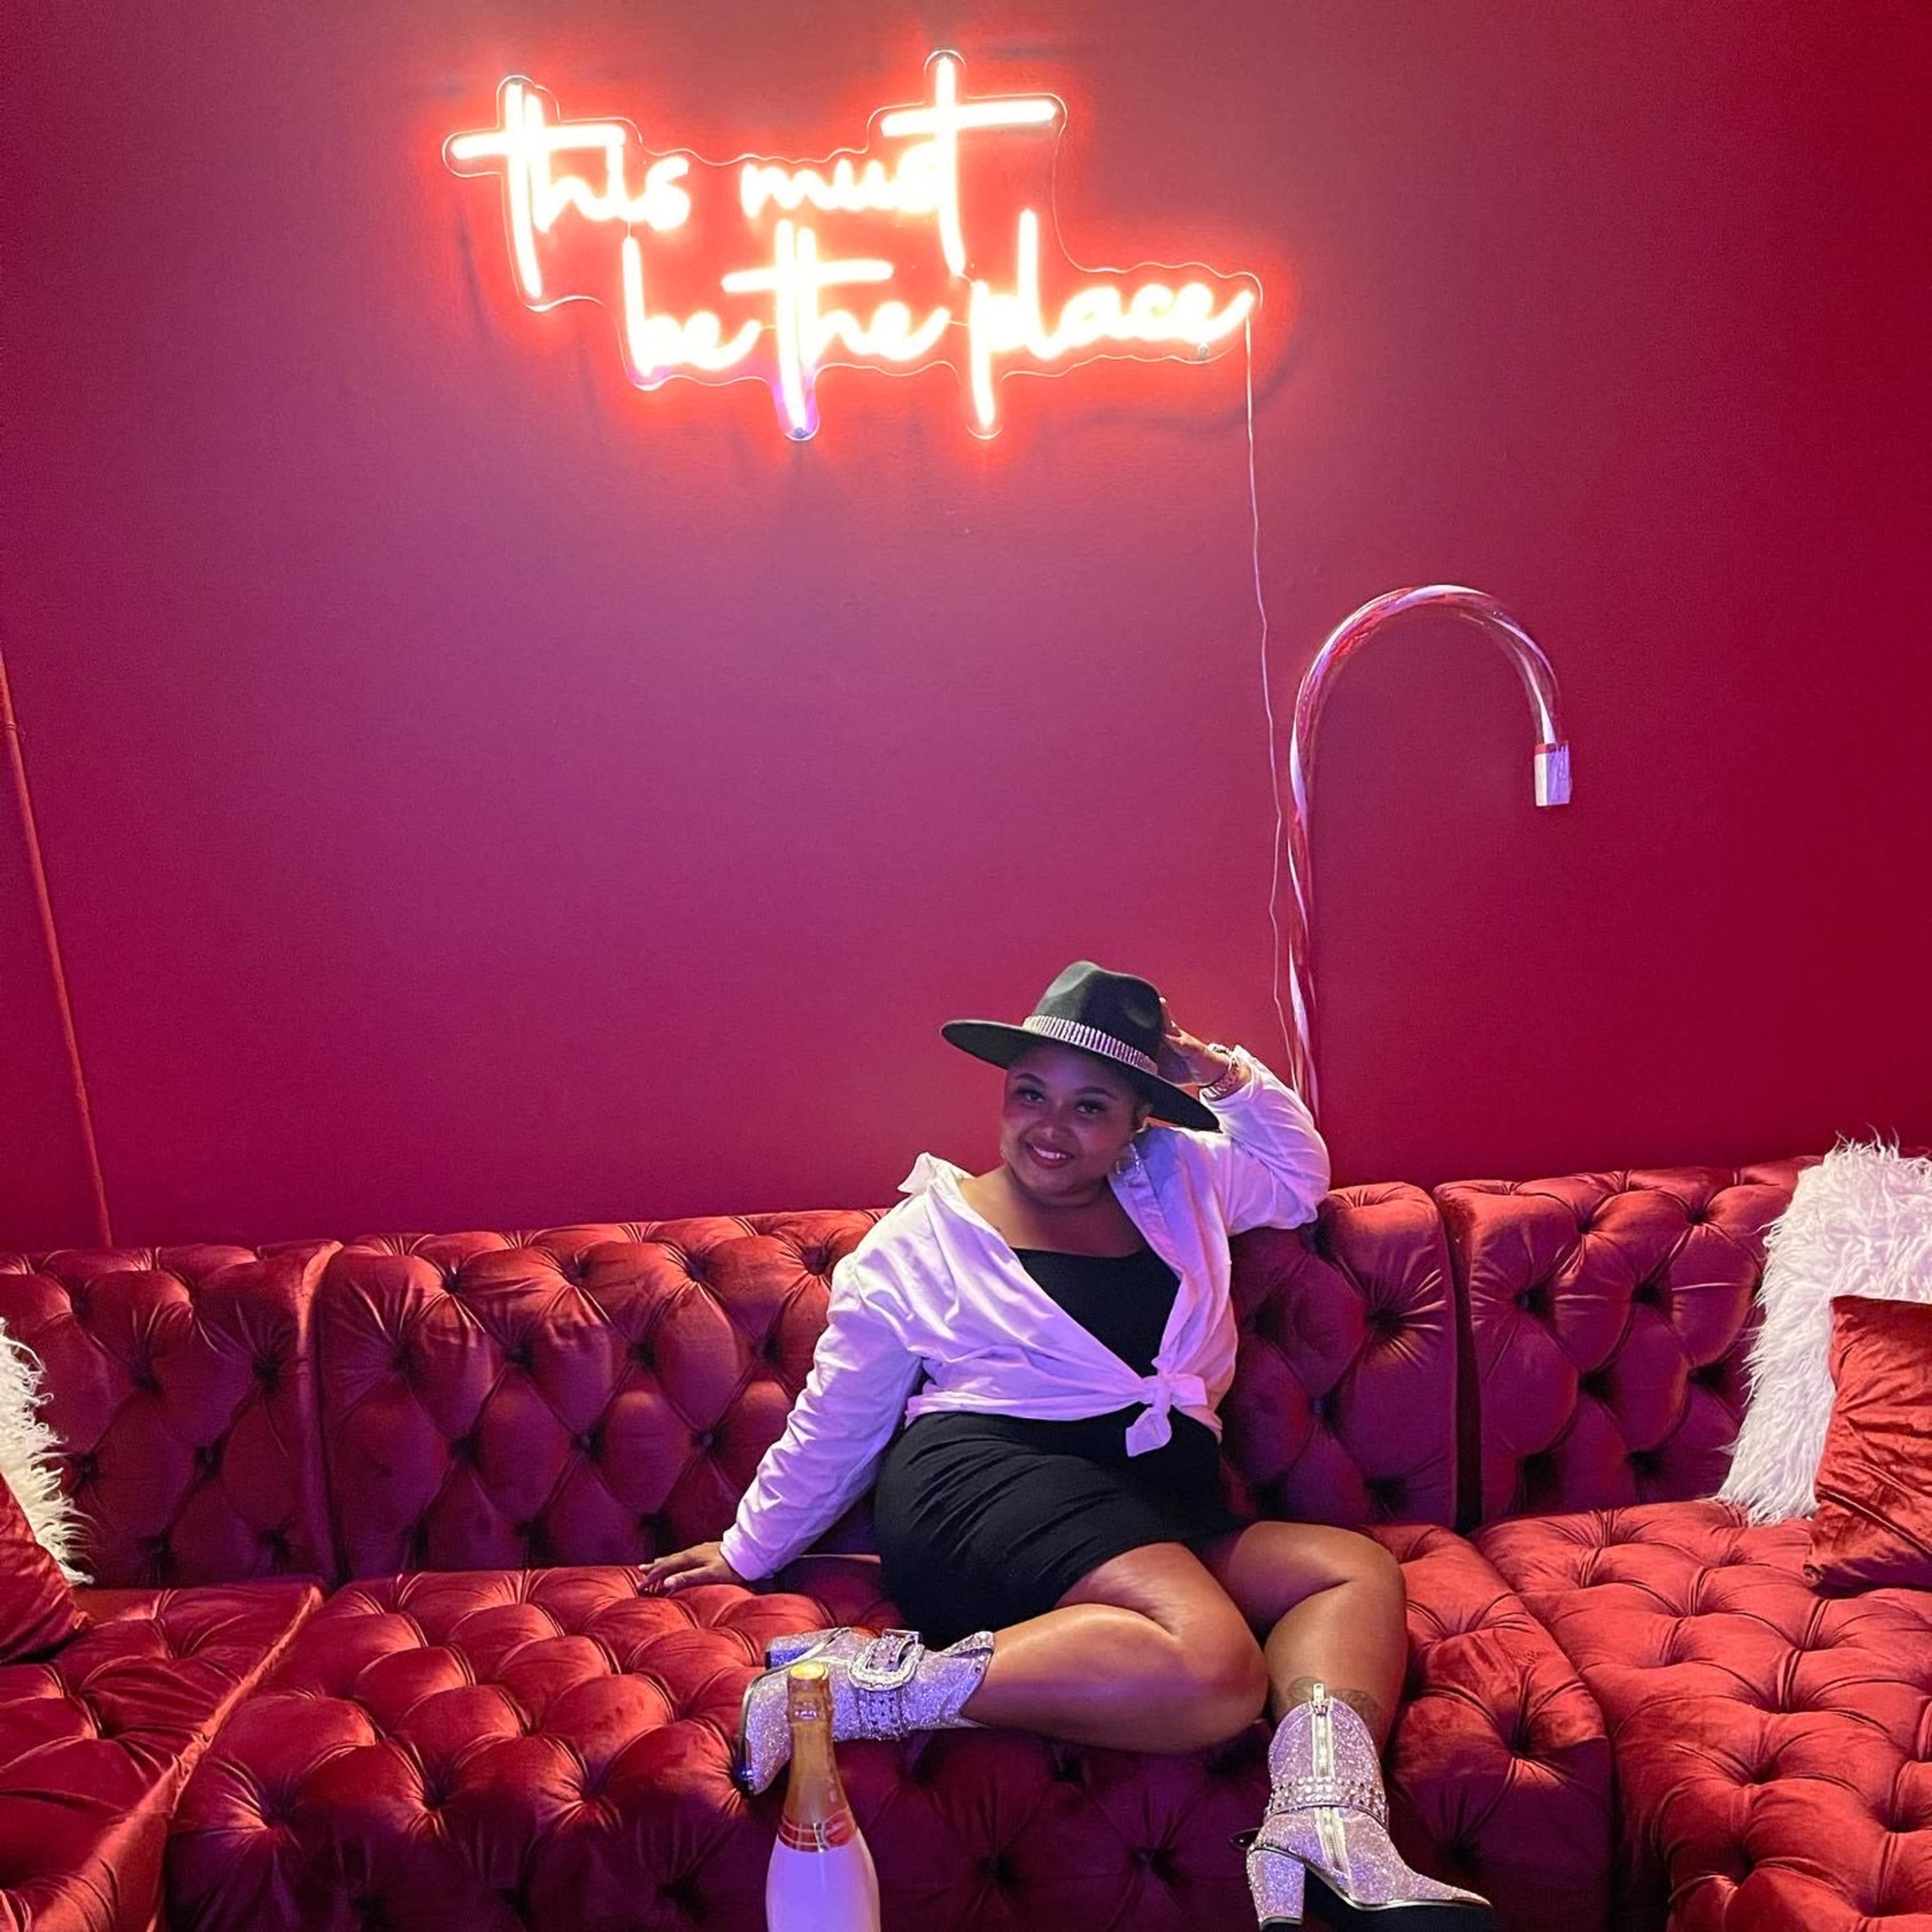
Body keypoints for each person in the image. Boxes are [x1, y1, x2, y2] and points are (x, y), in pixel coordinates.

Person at [641, 962, 1493, 1930]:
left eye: (1092, 1106)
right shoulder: (920, 1242)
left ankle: (1327, 1838)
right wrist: (751, 1547)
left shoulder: (1182, 1173)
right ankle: (843, 1689)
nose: (1051, 1128)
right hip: (984, 1482)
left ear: (1139, 1120)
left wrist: (1209, 1070)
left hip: (1148, 1491)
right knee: (1214, 1671)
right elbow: (839, 1421)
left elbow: (1298, 1182)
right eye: (1030, 1096)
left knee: (1349, 1569)